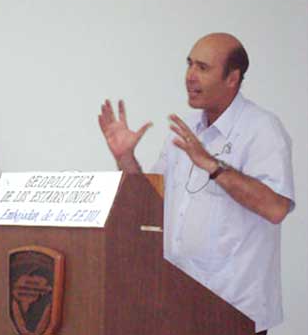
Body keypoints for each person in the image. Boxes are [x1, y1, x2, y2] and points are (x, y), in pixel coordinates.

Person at [98, 33, 294, 335]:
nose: (190, 76)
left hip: (234, 310)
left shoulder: (262, 129)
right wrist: (126, 159)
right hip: (178, 304)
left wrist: (213, 166)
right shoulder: (186, 130)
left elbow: (276, 207)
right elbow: (151, 202)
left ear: (232, 78)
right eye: (189, 65)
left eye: (203, 68)